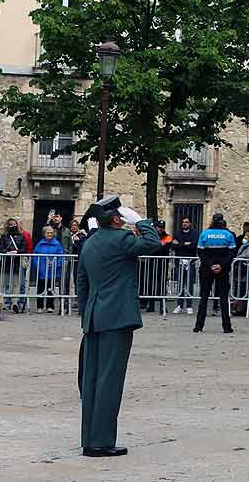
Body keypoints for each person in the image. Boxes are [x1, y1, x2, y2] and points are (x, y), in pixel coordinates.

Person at [75, 195, 162, 458]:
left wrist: (87, 313)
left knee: (90, 381)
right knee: (109, 382)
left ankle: (89, 439)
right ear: (115, 219)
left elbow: (81, 283)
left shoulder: (89, 244)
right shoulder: (121, 239)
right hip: (116, 318)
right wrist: (142, 221)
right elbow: (153, 243)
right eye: (122, 217)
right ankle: (101, 442)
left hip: (93, 318)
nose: (125, 221)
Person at [192, 212, 236, 334]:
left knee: (204, 298)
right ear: (222, 222)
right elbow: (232, 253)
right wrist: (221, 265)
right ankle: (227, 327)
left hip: (207, 268)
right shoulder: (228, 234)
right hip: (223, 269)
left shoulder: (205, 234)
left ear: (212, 221)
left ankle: (199, 326)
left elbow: (200, 252)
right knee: (223, 298)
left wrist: (211, 265)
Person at [31, 224, 66, 312]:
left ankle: (50, 306)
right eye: (48, 233)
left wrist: (57, 265)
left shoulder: (57, 244)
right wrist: (37, 265)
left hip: (52, 271)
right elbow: (35, 255)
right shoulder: (40, 244)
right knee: (40, 288)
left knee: (51, 289)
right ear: (44, 234)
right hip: (41, 270)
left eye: (51, 233)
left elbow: (60, 256)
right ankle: (40, 306)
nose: (50, 234)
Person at [0, 217, 30, 312]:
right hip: (8, 262)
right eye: (11, 224)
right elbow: (0, 248)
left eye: (14, 224)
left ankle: (20, 304)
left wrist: (17, 252)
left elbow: (24, 248)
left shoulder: (22, 236)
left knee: (21, 284)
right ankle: (7, 303)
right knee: (8, 284)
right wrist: (7, 252)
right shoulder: (4, 236)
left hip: (19, 262)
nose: (13, 226)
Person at [171, 216, 197, 314]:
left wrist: (181, 244)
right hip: (179, 261)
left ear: (190, 223)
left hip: (190, 261)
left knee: (189, 283)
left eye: (186, 222)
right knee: (180, 284)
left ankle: (189, 305)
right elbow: (173, 245)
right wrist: (185, 244)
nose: (184, 224)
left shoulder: (195, 233)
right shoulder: (177, 233)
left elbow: (193, 245)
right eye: (183, 222)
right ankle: (179, 305)